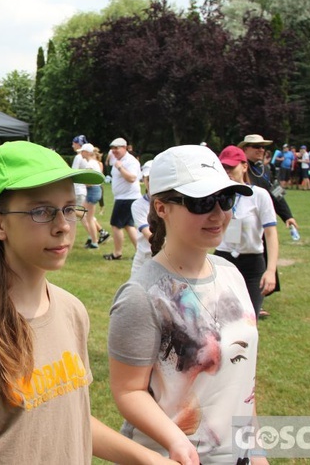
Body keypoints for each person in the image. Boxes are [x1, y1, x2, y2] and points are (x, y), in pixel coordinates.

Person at [0, 141, 174, 464]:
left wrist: (149, 459)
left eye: (69, 208)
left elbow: (70, 420)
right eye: (41, 211)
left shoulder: (72, 311)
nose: (63, 226)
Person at [108, 144, 265, 464]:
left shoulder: (231, 274)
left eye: (225, 199)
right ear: (161, 207)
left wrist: (256, 449)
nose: (218, 213)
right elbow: (128, 391)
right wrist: (177, 443)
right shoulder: (141, 296)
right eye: (202, 202)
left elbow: (243, 380)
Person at [216, 146, 279, 318]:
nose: (227, 172)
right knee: (222, 319)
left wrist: (271, 270)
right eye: (224, 167)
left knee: (249, 320)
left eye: (231, 167)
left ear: (244, 166)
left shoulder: (259, 195)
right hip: (223, 259)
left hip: (252, 263)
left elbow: (271, 233)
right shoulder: (215, 196)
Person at [239, 134, 298, 313]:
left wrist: (288, 216)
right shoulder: (239, 170)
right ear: (245, 149)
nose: (261, 150)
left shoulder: (265, 170)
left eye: (263, 147)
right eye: (256, 146)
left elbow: (276, 193)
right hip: (243, 224)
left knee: (263, 259)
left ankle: (258, 298)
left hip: (263, 223)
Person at [104, 137, 140, 260]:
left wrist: (120, 167)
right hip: (122, 197)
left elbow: (132, 178)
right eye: (112, 148)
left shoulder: (130, 161)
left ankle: (117, 253)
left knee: (116, 225)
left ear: (124, 148)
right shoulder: (117, 159)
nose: (114, 151)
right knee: (128, 226)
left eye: (117, 148)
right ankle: (140, 252)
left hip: (127, 198)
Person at [130, 160, 153, 277]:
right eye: (149, 179)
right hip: (144, 257)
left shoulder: (173, 204)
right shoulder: (138, 205)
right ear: (143, 180)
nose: (152, 183)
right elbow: (147, 233)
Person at [79, 143, 103, 249]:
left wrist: (81, 180)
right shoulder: (94, 162)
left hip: (92, 191)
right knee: (83, 213)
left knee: (89, 218)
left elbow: (89, 182)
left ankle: (94, 242)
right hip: (94, 191)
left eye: (82, 151)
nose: (81, 153)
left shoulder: (90, 164)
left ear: (86, 152)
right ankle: (92, 237)